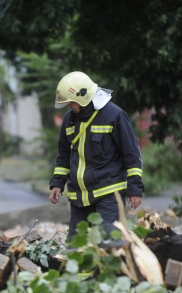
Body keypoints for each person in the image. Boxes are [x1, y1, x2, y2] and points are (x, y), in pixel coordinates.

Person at [48, 71, 144, 239]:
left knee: (108, 244)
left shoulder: (114, 115)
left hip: (109, 196)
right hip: (79, 198)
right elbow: (63, 154)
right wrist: (57, 183)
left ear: (82, 97)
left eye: (71, 102)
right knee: (76, 248)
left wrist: (135, 188)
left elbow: (132, 154)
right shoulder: (69, 120)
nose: (69, 106)